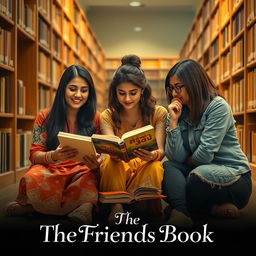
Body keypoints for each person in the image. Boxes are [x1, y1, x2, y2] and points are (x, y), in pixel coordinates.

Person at [6, 65, 102, 224]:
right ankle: (76, 208)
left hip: (82, 170)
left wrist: (97, 163)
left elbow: (102, 153)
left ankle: (38, 207)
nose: (78, 95)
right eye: (72, 89)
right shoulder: (44, 116)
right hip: (51, 168)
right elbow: (34, 155)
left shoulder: (96, 118)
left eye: (84, 90)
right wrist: (53, 156)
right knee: (31, 177)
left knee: (89, 180)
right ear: (63, 89)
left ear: (89, 93)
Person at [162, 59, 252, 227]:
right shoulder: (176, 111)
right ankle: (188, 212)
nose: (174, 93)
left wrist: (187, 163)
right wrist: (173, 123)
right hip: (197, 173)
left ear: (194, 82)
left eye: (178, 87)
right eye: (171, 88)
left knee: (194, 178)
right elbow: (175, 157)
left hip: (234, 179)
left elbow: (204, 156)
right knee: (166, 168)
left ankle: (180, 206)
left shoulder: (217, 106)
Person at [99, 54, 167, 223]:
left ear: (142, 90)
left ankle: (145, 203)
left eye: (133, 93)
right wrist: (113, 152)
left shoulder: (159, 113)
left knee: (156, 165)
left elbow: (161, 150)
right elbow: (111, 145)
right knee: (110, 161)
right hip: (118, 174)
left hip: (143, 170)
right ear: (115, 92)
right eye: (121, 93)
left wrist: (153, 155)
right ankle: (117, 206)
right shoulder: (107, 115)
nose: (127, 99)